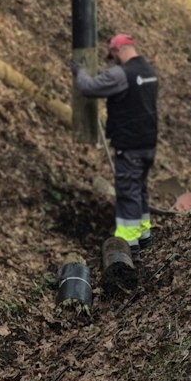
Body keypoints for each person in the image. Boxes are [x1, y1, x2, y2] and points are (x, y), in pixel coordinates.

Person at [73, 33, 161, 247]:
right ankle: (144, 235)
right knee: (140, 188)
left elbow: (89, 87)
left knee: (128, 192)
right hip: (148, 143)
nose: (113, 59)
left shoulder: (121, 74)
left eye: (113, 54)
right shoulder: (149, 71)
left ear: (119, 50)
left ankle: (128, 244)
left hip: (129, 145)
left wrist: (80, 72)